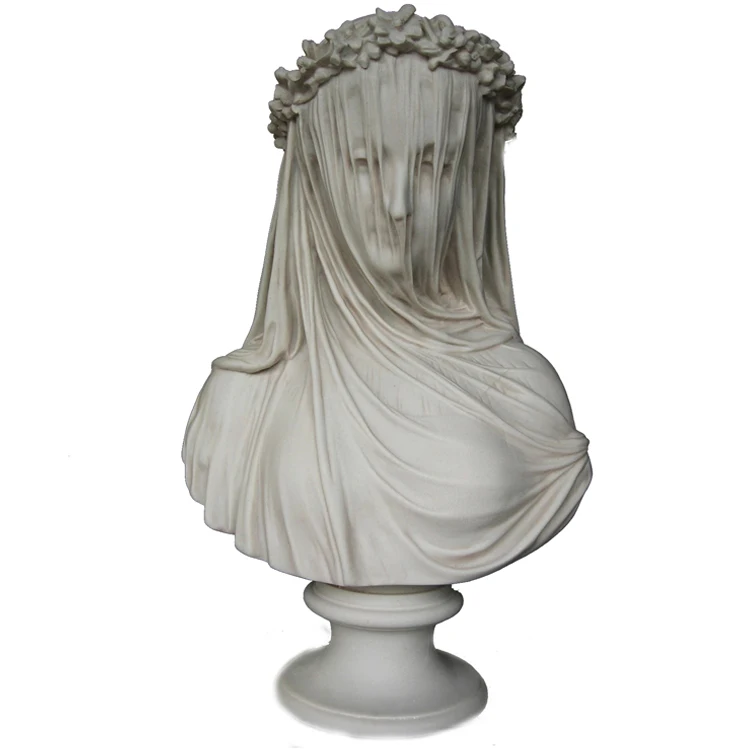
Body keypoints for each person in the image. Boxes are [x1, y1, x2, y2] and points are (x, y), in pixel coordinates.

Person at [182, 7, 592, 586]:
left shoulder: (527, 395)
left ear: (470, 180)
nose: (398, 205)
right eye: (364, 163)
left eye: (431, 166)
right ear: (313, 174)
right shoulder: (237, 402)